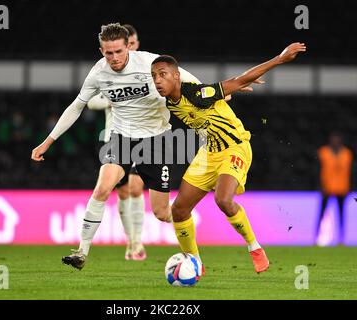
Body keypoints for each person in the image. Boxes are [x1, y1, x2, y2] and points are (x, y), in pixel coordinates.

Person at [31, 23, 200, 270]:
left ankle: (192, 247)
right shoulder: (99, 72)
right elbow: (77, 106)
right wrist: (48, 141)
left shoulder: (149, 64)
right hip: (121, 137)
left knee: (163, 213)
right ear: (102, 50)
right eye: (108, 53)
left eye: (119, 51)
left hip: (157, 140)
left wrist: (218, 94)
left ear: (127, 47)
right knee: (103, 188)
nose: (114, 58)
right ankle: (81, 252)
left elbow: (185, 77)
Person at [150, 42, 306, 273]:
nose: (157, 80)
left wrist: (280, 58)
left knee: (223, 200)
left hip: (235, 147)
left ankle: (254, 247)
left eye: (162, 75)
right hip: (209, 152)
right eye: (154, 76)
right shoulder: (170, 103)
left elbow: (239, 80)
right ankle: (194, 262)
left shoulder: (195, 93)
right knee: (179, 210)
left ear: (176, 76)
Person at [86, 24, 147, 261]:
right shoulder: (105, 71)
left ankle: (138, 241)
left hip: (142, 137)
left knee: (136, 187)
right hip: (113, 137)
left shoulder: (144, 68)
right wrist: (114, 99)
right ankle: (130, 241)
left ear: (135, 45)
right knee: (121, 192)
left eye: (130, 45)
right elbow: (90, 101)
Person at [316, 132, 353, 245]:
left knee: (341, 214)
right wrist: (319, 185)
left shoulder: (347, 153)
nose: (335, 141)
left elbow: (350, 172)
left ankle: (341, 239)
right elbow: (317, 170)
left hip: (342, 188)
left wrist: (350, 186)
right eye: (333, 139)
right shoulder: (323, 152)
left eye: (337, 139)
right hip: (327, 187)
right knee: (321, 214)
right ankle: (316, 237)